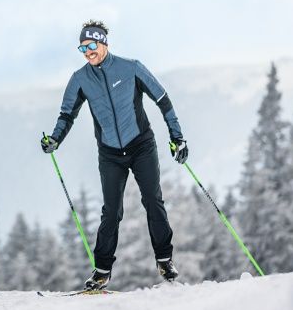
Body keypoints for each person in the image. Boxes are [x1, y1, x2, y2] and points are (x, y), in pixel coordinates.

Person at [41, 21, 189, 290]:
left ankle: (164, 260)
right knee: (111, 212)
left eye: (91, 45)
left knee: (153, 200)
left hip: (141, 145)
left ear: (103, 43)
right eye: (82, 48)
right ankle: (102, 271)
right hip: (110, 153)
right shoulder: (80, 79)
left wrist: (177, 137)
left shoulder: (131, 68)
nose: (87, 52)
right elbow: (66, 115)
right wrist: (55, 140)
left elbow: (163, 99)